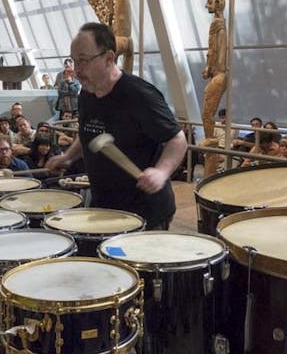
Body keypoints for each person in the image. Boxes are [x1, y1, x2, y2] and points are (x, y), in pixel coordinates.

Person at [46, 22, 187, 230]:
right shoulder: (87, 93)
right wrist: (68, 156)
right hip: (104, 206)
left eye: (83, 61)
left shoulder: (139, 95)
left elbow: (177, 139)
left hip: (145, 212)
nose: (77, 70)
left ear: (109, 58)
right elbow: (89, 134)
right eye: (74, 62)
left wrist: (161, 172)